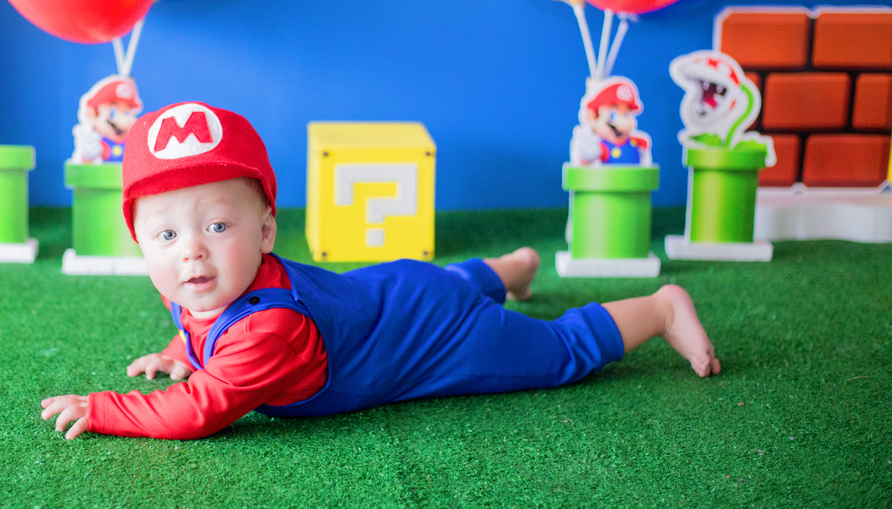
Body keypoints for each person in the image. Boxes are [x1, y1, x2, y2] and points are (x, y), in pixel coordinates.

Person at [42, 102, 720, 441]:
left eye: (218, 226)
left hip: (431, 337)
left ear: (268, 231)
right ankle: (511, 269)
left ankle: (658, 308)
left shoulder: (265, 329)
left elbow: (199, 411)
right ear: (142, 245)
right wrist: (176, 351)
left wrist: (103, 410)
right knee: (451, 282)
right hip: (395, 288)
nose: (192, 251)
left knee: (557, 352)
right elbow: (196, 333)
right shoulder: (199, 287)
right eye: (166, 234)